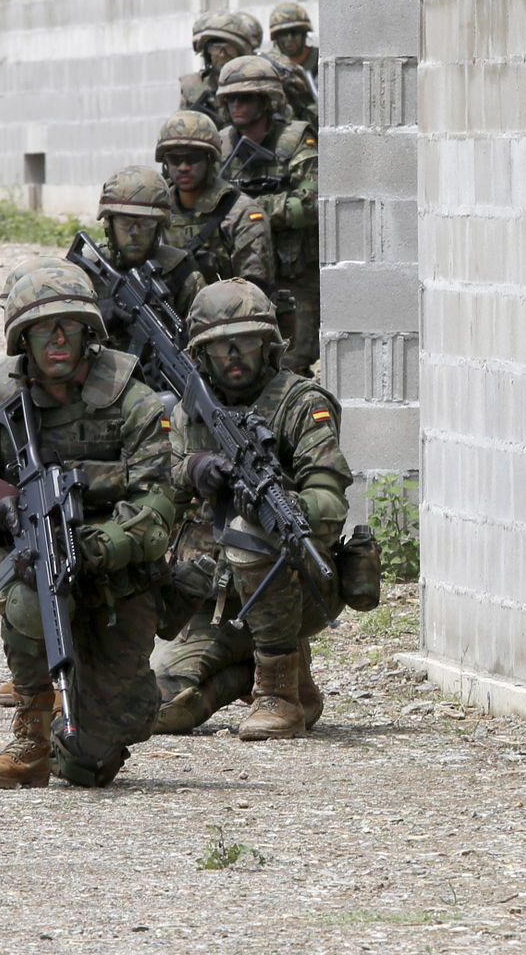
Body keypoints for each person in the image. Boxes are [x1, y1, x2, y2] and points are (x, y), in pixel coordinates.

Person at [0, 263, 177, 788]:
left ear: (91, 332)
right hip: (35, 563)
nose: (59, 338)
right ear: (24, 338)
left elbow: (158, 511)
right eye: (44, 328)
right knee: (27, 592)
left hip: (116, 576)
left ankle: (81, 730)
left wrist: (96, 546)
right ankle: (30, 734)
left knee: (92, 764)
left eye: (70, 325)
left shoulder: (131, 400)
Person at [153, 279, 350, 739]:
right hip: (212, 599)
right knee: (160, 709)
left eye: (247, 342)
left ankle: (280, 693)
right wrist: (194, 470)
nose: (235, 355)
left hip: (292, 589)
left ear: (269, 345)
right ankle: (252, 675)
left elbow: (330, 496)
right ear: (201, 355)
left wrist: (286, 506)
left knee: (253, 527)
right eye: (222, 347)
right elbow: (155, 494)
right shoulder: (187, 413)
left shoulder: (301, 403)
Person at [216, 55, 320, 376]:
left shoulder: (294, 139)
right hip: (236, 276)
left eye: (245, 97)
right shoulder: (219, 145)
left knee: (290, 365)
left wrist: (254, 210)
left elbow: (313, 202)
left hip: (292, 279)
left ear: (266, 100)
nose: (237, 105)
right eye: (231, 98)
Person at [86, 164, 209, 348]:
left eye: (146, 223)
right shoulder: (86, 270)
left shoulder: (181, 274)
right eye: (126, 222)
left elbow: (207, 342)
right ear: (109, 224)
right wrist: (95, 315)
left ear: (159, 228)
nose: (135, 232)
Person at [156, 110, 276, 294]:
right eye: (174, 159)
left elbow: (254, 294)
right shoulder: (156, 210)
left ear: (210, 159)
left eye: (193, 158)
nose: (183, 167)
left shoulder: (242, 213)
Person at [178, 11, 254, 130]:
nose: (222, 55)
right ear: (207, 53)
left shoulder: (255, 85)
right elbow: (180, 131)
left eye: (229, 48)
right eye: (216, 48)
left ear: (241, 51)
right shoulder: (195, 89)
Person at [269, 2, 317, 76]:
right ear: (275, 37)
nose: (289, 39)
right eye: (283, 33)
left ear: (304, 34)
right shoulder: (270, 65)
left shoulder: (320, 61)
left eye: (295, 32)